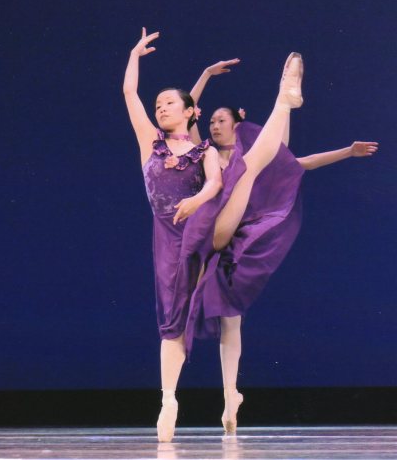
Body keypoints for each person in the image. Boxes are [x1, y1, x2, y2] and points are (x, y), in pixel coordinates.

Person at [186, 59, 378, 434]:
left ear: (238, 123)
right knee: (260, 160)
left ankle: (230, 396)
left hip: (238, 240)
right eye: (212, 122)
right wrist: (205, 75)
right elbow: (187, 113)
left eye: (221, 121)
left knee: (230, 319)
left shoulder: (246, 156)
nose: (214, 126)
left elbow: (300, 164)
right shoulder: (205, 154)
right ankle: (283, 101)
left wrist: (347, 151)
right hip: (211, 233)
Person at [122, 28, 223, 442]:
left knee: (209, 309)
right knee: (172, 320)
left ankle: (229, 391)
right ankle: (169, 400)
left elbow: (215, 183)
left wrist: (196, 200)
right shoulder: (151, 143)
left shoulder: (205, 151)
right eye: (158, 104)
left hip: (199, 233)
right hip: (166, 236)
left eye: (168, 103)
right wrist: (134, 55)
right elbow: (130, 93)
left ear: (189, 111)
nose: (161, 108)